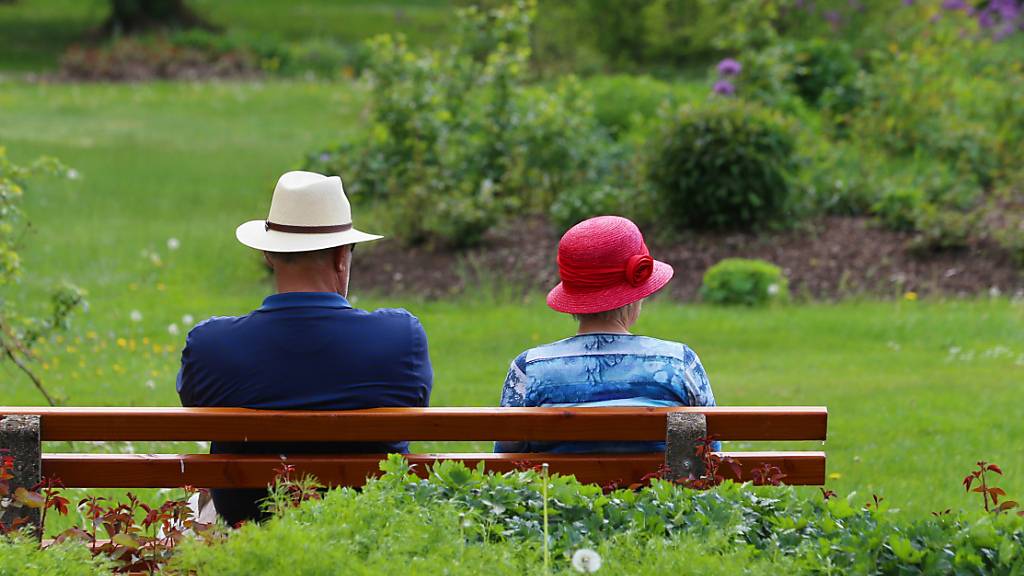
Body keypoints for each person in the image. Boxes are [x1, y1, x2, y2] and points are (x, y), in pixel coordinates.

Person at [177, 171, 432, 525]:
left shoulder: (211, 347)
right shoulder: (400, 338)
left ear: (268, 253)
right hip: (367, 524)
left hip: (248, 524)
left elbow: (197, 410)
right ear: (343, 256)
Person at [495, 215, 717, 454]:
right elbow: (709, 450)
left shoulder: (529, 368)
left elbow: (507, 459)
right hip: (655, 491)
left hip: (561, 491)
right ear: (637, 295)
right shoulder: (679, 363)